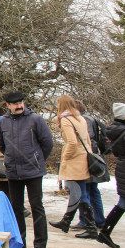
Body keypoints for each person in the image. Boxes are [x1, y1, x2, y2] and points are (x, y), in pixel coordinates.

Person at [0, 90, 53, 248]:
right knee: (16, 208)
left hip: (33, 171)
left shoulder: (35, 119)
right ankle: (20, 241)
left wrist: (37, 159)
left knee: (37, 207)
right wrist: (10, 159)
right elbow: (1, 145)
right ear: (8, 105)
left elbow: (47, 143)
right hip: (13, 171)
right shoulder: (3, 122)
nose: (19, 106)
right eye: (15, 104)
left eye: (21, 102)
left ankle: (40, 244)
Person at [50, 95, 97, 239]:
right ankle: (67, 221)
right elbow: (87, 140)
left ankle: (91, 227)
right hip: (83, 157)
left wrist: (65, 158)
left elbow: (71, 142)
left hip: (74, 160)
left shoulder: (66, 120)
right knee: (79, 191)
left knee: (79, 193)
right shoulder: (79, 117)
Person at [71, 100, 108, 231]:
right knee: (93, 190)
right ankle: (99, 220)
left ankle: (86, 221)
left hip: (87, 160)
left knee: (85, 190)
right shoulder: (91, 119)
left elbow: (87, 140)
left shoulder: (83, 120)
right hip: (94, 159)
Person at [98, 102, 125, 248]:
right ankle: (104, 233)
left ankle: (105, 232)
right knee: (123, 203)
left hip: (124, 168)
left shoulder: (117, 130)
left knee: (123, 203)